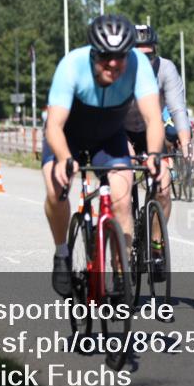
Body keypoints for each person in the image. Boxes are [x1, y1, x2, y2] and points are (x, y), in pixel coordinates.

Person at [43, 15, 163, 297]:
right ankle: (62, 255)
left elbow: (154, 119)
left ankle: (121, 274)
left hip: (109, 138)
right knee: (55, 189)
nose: (113, 63)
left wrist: (154, 154)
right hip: (67, 137)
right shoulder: (71, 65)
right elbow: (54, 125)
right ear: (93, 53)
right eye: (105, 57)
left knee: (122, 197)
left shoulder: (138, 64)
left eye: (119, 56)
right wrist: (63, 158)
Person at [124, 24, 193, 279]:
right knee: (124, 178)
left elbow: (177, 109)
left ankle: (155, 246)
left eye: (149, 55)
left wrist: (185, 141)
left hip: (152, 130)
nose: (145, 61)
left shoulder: (166, 69)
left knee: (163, 186)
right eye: (138, 56)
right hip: (122, 130)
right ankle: (125, 247)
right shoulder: (119, 68)